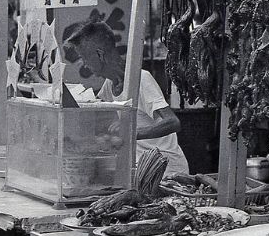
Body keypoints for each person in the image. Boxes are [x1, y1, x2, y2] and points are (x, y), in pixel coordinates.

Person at [66, 21, 189, 177]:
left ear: (100, 55)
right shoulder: (109, 85)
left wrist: (130, 132)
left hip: (167, 171)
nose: (84, 64)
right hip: (140, 169)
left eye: (84, 58)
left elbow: (172, 122)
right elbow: (96, 118)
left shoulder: (141, 79)